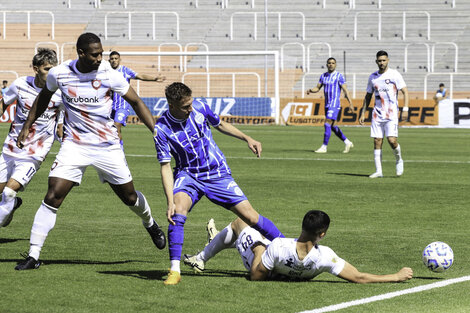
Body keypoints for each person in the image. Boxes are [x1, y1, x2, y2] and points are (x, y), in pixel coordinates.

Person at [14, 32, 166, 270]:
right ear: (81, 53)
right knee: (53, 195)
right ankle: (34, 255)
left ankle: (150, 223)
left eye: (101, 53)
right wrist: (26, 126)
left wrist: (156, 131)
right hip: (74, 145)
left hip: (107, 146)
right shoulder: (60, 73)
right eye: (95, 54)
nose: (100, 58)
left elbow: (136, 101)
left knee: (129, 197)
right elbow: (43, 98)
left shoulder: (109, 74)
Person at [154, 82, 285, 285]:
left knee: (250, 216)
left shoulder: (200, 107)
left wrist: (246, 138)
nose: (191, 108)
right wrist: (169, 200)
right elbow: (165, 166)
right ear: (171, 105)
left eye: (191, 103)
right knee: (177, 214)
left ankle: (287, 248)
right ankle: (174, 271)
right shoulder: (161, 129)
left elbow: (220, 124)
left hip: (217, 173)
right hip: (188, 175)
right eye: (185, 106)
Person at [184, 211, 413, 283]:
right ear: (321, 234)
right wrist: (395, 276)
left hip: (262, 256)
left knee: (239, 223)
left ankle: (202, 257)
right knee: (245, 230)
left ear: (302, 227)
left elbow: (255, 276)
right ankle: (218, 242)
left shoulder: (279, 246)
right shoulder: (324, 257)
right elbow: (359, 277)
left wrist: (258, 250)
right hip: (275, 261)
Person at [0, 48, 63, 229]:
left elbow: (63, 121)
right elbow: (4, 103)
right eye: (46, 69)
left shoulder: (59, 92)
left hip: (34, 152)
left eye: (53, 69)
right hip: (11, 147)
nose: (50, 73)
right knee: (3, 196)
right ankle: (11, 206)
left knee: (10, 192)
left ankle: (11, 202)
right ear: (36, 69)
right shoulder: (20, 84)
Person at [359, 50, 409, 178]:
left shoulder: (394, 74)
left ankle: (399, 160)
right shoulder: (373, 77)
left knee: (391, 140)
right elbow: (368, 95)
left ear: (388, 60)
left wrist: (405, 109)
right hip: (377, 114)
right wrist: (363, 112)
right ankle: (379, 171)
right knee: (377, 140)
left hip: (391, 113)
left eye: (384, 60)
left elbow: (405, 91)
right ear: (376, 61)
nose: (381, 63)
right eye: (379, 61)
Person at [109, 51, 165, 147]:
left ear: (119, 60)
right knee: (111, 131)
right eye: (112, 59)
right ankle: (116, 149)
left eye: (116, 58)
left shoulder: (125, 71)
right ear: (109, 60)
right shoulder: (106, 72)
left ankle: (119, 153)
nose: (114, 60)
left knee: (116, 126)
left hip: (122, 106)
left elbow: (140, 76)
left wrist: (154, 78)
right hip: (109, 107)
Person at [306, 57, 354, 154]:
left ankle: (324, 147)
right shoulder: (323, 76)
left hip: (335, 104)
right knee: (333, 126)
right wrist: (311, 90)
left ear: (335, 65)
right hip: (327, 104)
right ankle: (347, 142)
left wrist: (351, 103)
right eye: (329, 63)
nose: (331, 64)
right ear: (327, 64)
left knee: (327, 123)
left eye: (333, 63)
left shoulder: (339, 76)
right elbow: (317, 88)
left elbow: (345, 90)